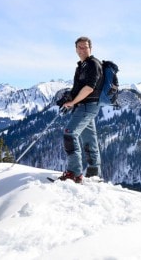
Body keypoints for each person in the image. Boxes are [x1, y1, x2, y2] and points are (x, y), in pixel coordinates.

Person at [59, 36, 103, 183]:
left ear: (91, 48)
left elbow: (89, 88)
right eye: (79, 47)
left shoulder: (93, 64)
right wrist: (68, 97)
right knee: (90, 139)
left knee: (69, 134)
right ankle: (94, 173)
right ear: (76, 49)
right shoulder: (81, 66)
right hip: (84, 106)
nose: (82, 50)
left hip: (87, 106)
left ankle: (74, 173)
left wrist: (73, 102)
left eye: (85, 47)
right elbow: (78, 88)